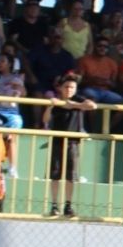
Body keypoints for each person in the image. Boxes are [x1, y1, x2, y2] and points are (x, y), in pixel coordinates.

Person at [43, 72, 96, 218]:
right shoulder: (57, 101)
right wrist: (50, 106)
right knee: (55, 174)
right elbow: (46, 119)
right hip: (57, 140)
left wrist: (74, 105)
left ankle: (68, 205)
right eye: (66, 87)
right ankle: (54, 205)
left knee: (70, 175)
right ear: (60, 88)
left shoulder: (79, 100)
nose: (69, 90)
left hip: (73, 142)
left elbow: (92, 106)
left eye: (72, 87)